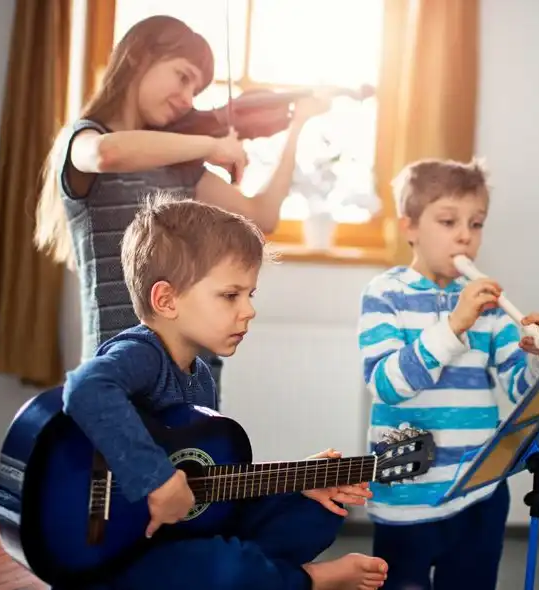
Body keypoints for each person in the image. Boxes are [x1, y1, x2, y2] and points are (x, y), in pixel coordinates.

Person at [63, 194, 388, 590]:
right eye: (230, 295)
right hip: (118, 551)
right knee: (224, 568)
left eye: (249, 295)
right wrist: (155, 479)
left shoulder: (199, 376)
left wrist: (297, 480)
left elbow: (206, 486)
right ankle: (308, 582)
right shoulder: (141, 353)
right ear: (166, 300)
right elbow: (85, 388)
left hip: (180, 536)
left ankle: (266, 577)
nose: (248, 310)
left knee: (317, 510)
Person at [33, 14, 329, 397]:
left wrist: (297, 127)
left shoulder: (177, 165)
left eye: (197, 88)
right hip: (121, 375)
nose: (189, 100)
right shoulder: (85, 139)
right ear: (139, 57)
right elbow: (107, 154)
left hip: (194, 375)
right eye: (183, 76)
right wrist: (212, 146)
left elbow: (263, 216)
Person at [355, 158, 539, 589]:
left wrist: (537, 358)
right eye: (448, 221)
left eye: (477, 223)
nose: (465, 234)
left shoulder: (486, 304)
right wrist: (453, 325)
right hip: (406, 497)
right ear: (409, 227)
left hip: (478, 493)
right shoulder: (384, 294)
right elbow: (387, 385)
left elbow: (521, 389)